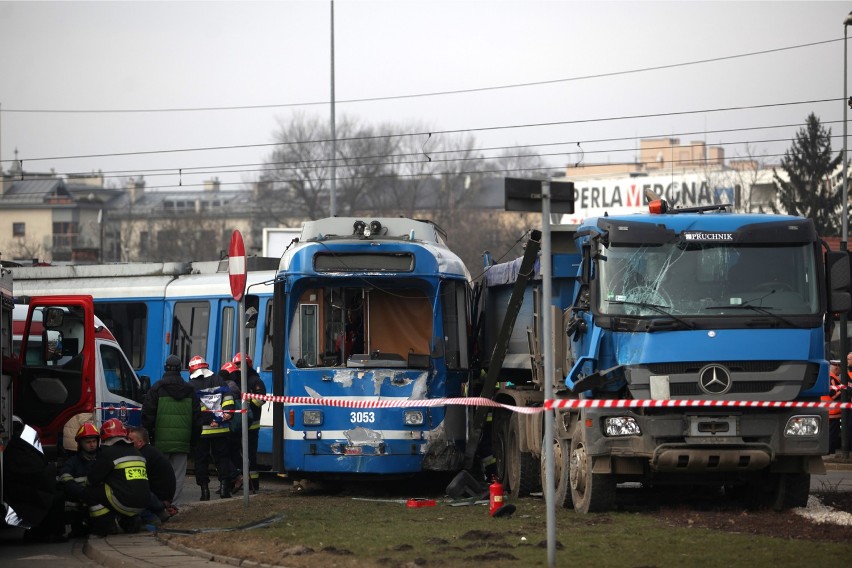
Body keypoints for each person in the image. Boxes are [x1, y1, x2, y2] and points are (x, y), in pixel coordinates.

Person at [141, 354, 201, 506]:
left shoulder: (157, 388)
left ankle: (159, 503)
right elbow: (196, 420)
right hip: (182, 441)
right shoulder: (190, 390)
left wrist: (149, 436)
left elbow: (148, 414)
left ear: (165, 368)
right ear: (180, 369)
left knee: (158, 473)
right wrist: (193, 442)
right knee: (178, 475)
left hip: (160, 441)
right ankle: (173, 504)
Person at [82, 418, 150, 535]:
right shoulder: (137, 452)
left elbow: (93, 479)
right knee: (119, 488)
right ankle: (129, 520)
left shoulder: (107, 453)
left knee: (89, 492)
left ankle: (105, 525)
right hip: (143, 503)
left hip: (123, 502)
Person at [188, 354, 235, 500]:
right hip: (221, 428)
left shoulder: (191, 384)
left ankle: (205, 491)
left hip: (202, 430)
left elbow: (196, 407)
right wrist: (227, 414)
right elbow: (228, 397)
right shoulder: (218, 379)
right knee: (222, 458)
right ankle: (224, 490)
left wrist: (209, 420)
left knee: (201, 460)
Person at [58, 421, 101, 538]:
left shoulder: (103, 458)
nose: (92, 445)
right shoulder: (73, 462)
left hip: (97, 497)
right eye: (88, 442)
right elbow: (65, 476)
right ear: (80, 444)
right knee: (68, 500)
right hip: (79, 497)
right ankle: (76, 527)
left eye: (94, 441)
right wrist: (80, 492)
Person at [127, 426, 177, 525]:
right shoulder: (150, 452)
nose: (128, 442)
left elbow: (137, 482)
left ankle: (151, 518)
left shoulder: (142, 456)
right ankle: (160, 513)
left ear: (140, 442)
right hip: (163, 498)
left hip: (158, 499)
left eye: (130, 440)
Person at [232, 352, 267, 492]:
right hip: (238, 424)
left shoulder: (255, 381)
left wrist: (248, 401)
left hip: (252, 424)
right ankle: (238, 480)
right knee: (235, 452)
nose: (238, 368)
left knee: (250, 455)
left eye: (240, 365)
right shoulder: (235, 380)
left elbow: (261, 399)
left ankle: (253, 484)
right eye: (236, 365)